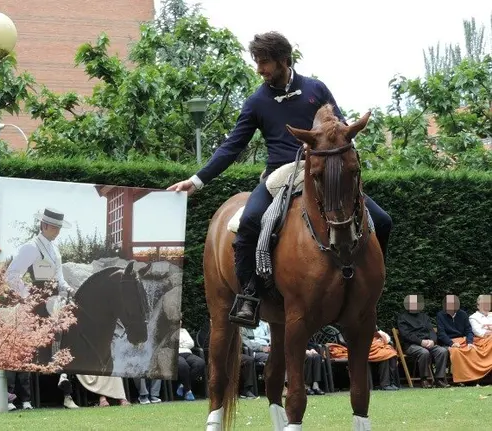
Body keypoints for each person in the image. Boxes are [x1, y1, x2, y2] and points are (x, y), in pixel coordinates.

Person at [166, 31, 392, 326]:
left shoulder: (315, 88)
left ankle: (371, 284)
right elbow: (233, 145)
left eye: (264, 63)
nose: (260, 69)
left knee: (383, 220)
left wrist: (330, 145)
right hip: (279, 176)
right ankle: (248, 295)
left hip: (320, 172)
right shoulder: (257, 101)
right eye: (258, 62)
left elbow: (340, 128)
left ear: (284, 61)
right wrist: (195, 181)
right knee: (248, 223)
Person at [4, 207, 76, 406]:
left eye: (60, 228)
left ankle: (65, 376)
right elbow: (11, 275)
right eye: (55, 227)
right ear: (44, 225)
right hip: (36, 303)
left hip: (54, 300)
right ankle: (18, 394)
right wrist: (29, 296)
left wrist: (69, 288)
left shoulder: (55, 249)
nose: (58, 231)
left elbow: (59, 279)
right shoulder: (30, 247)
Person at [396, 295, 449, 388]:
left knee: (442, 351)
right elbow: (406, 335)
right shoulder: (402, 317)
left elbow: (431, 331)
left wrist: (432, 340)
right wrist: (421, 342)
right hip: (412, 345)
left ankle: (439, 379)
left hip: (428, 343)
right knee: (424, 352)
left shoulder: (424, 316)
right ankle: (424, 379)